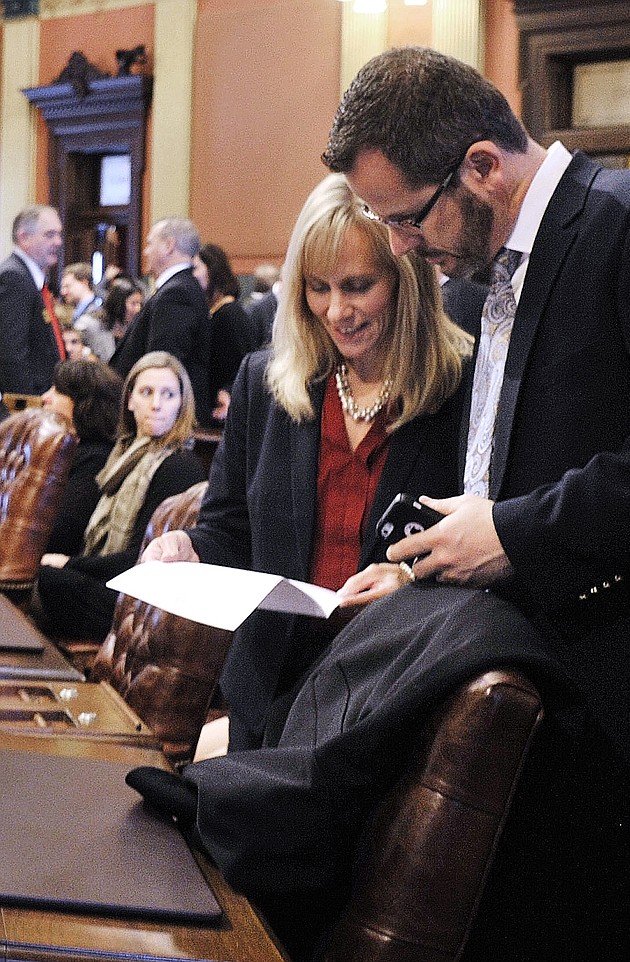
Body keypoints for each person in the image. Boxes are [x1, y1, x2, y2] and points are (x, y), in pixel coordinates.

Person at [314, 46, 630, 962]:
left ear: (483, 167)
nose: (405, 247)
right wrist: (432, 565)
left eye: (408, 219)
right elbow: (514, 472)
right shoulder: (497, 272)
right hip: (549, 712)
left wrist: (508, 535)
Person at [140, 172, 472, 752]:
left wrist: (411, 578)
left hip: (387, 700)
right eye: (318, 287)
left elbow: (475, 553)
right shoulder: (266, 384)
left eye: (358, 286)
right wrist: (188, 548)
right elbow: (228, 530)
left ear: (405, 281)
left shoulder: (459, 391)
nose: (337, 310)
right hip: (271, 691)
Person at [35, 351, 205, 641]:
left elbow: (142, 557)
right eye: (147, 392)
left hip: (135, 598)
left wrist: (70, 564)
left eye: (168, 395)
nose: (156, 404)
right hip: (104, 578)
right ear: (129, 401)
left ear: (182, 404)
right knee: (35, 572)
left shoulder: (179, 465)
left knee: (46, 578)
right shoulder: (122, 455)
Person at [110, 218, 213, 425]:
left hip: (164, 419)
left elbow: (164, 363)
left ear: (168, 246)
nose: (145, 251)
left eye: (150, 244)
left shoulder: (176, 293)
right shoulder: (180, 288)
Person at [41, 358, 123, 554]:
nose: (45, 397)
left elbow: (63, 533)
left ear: (84, 403)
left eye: (58, 391)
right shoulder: (65, 449)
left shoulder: (95, 459)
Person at [0, 205, 64, 409]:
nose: (58, 242)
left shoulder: (30, 278)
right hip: (29, 404)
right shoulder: (14, 277)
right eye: (50, 235)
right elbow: (12, 352)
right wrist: (28, 408)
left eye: (59, 234)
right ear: (24, 237)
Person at [193, 242, 258, 421]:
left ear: (212, 270)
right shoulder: (214, 312)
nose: (191, 275)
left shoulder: (230, 314)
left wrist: (227, 392)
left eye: (195, 268)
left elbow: (244, 365)